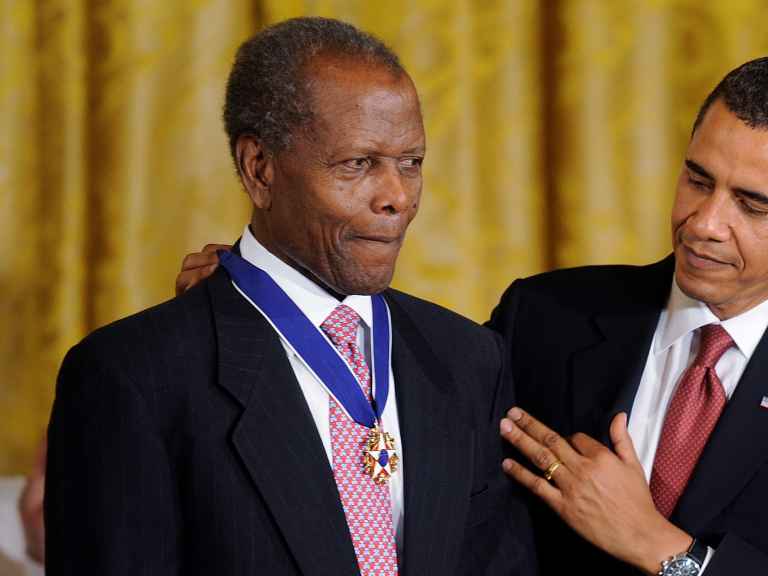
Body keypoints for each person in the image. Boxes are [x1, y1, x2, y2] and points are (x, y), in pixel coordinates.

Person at [46, 17, 534, 576]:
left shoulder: (470, 359)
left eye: (411, 163)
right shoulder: (133, 376)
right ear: (260, 169)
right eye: (358, 164)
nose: (398, 197)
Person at [489, 55, 768, 575]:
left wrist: (662, 548)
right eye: (698, 180)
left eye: (753, 206)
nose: (705, 223)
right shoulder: (545, 315)